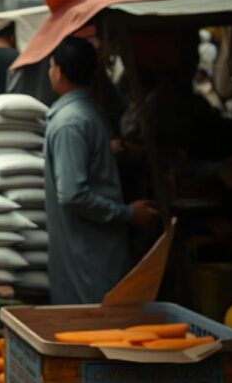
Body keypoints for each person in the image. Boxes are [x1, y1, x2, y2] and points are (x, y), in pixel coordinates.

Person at [45, 37, 159, 305]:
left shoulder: (70, 122)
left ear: (59, 71)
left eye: (51, 66)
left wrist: (128, 213)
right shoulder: (82, 115)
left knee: (93, 325)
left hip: (88, 251)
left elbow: (72, 194)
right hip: (91, 247)